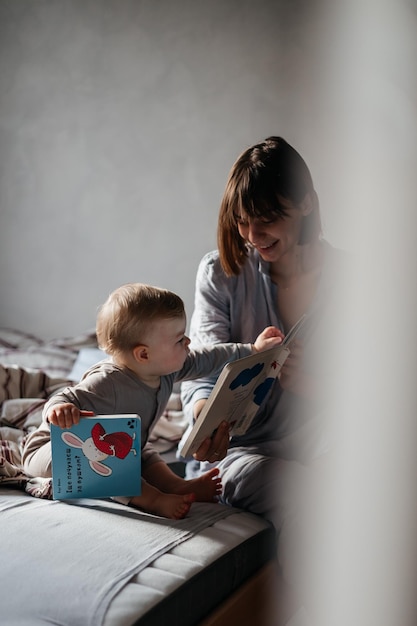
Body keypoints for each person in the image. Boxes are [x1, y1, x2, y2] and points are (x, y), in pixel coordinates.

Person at [180, 136, 346, 568]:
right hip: (241, 452)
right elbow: (198, 367)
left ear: (306, 203)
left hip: (325, 437)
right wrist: (203, 415)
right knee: (309, 495)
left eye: (267, 220)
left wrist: (312, 384)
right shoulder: (221, 273)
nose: (253, 237)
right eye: (242, 221)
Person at [22, 282, 283, 520]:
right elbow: (66, 395)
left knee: (143, 452)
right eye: (180, 340)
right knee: (117, 459)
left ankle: (177, 484)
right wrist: (58, 410)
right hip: (53, 451)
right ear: (143, 354)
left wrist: (252, 350)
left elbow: (207, 358)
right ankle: (152, 499)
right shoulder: (108, 382)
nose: (188, 342)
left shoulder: (167, 368)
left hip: (113, 444)